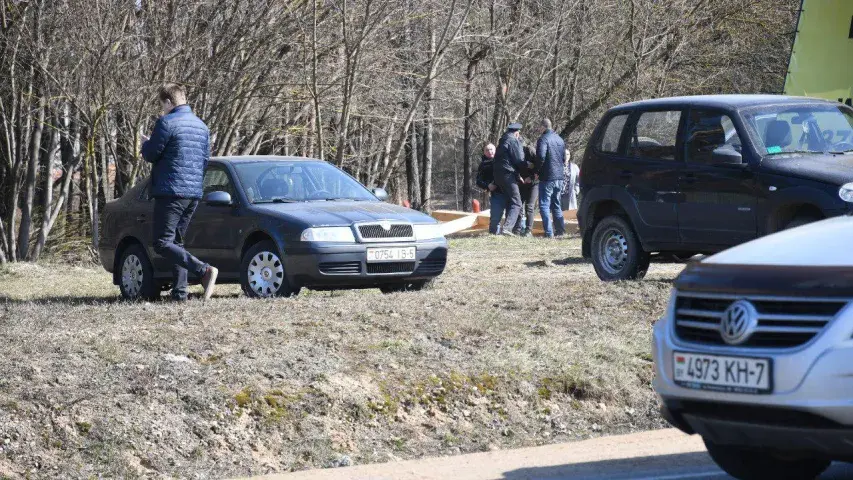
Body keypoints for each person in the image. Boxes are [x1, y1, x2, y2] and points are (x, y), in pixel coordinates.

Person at [141, 83, 218, 301]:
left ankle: (204, 270)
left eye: (162, 105)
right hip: (193, 192)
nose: (162, 110)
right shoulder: (201, 126)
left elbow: (152, 154)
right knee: (176, 242)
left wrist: (145, 145)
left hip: (171, 191)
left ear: (168, 101)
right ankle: (180, 293)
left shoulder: (166, 123)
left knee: (162, 242)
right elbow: (204, 161)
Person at [493, 122, 530, 236]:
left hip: (499, 175)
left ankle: (508, 228)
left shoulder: (502, 141)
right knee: (517, 202)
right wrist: (528, 165)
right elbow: (519, 160)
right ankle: (507, 228)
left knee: (510, 201)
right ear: (517, 133)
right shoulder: (513, 141)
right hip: (508, 174)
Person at [536, 118, 567, 238]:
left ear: (543, 127)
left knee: (544, 204)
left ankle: (549, 232)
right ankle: (560, 230)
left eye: (539, 127)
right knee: (556, 203)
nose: (539, 129)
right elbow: (564, 158)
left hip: (547, 176)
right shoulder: (559, 139)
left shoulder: (543, 139)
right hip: (559, 176)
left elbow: (541, 157)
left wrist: (537, 171)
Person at [475, 143, 505, 234]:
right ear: (484, 153)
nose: (490, 152)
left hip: (509, 192)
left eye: (491, 149)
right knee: (495, 217)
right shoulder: (483, 165)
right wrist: (487, 186)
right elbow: (478, 181)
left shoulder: (502, 160)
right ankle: (494, 234)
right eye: (487, 150)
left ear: (495, 150)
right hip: (496, 194)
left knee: (516, 214)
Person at [513, 144, 539, 236]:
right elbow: (513, 167)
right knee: (519, 205)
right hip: (521, 182)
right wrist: (518, 176)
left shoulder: (530, 151)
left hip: (533, 183)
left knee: (529, 206)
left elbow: (539, 167)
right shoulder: (514, 152)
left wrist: (531, 178)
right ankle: (517, 229)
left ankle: (528, 230)